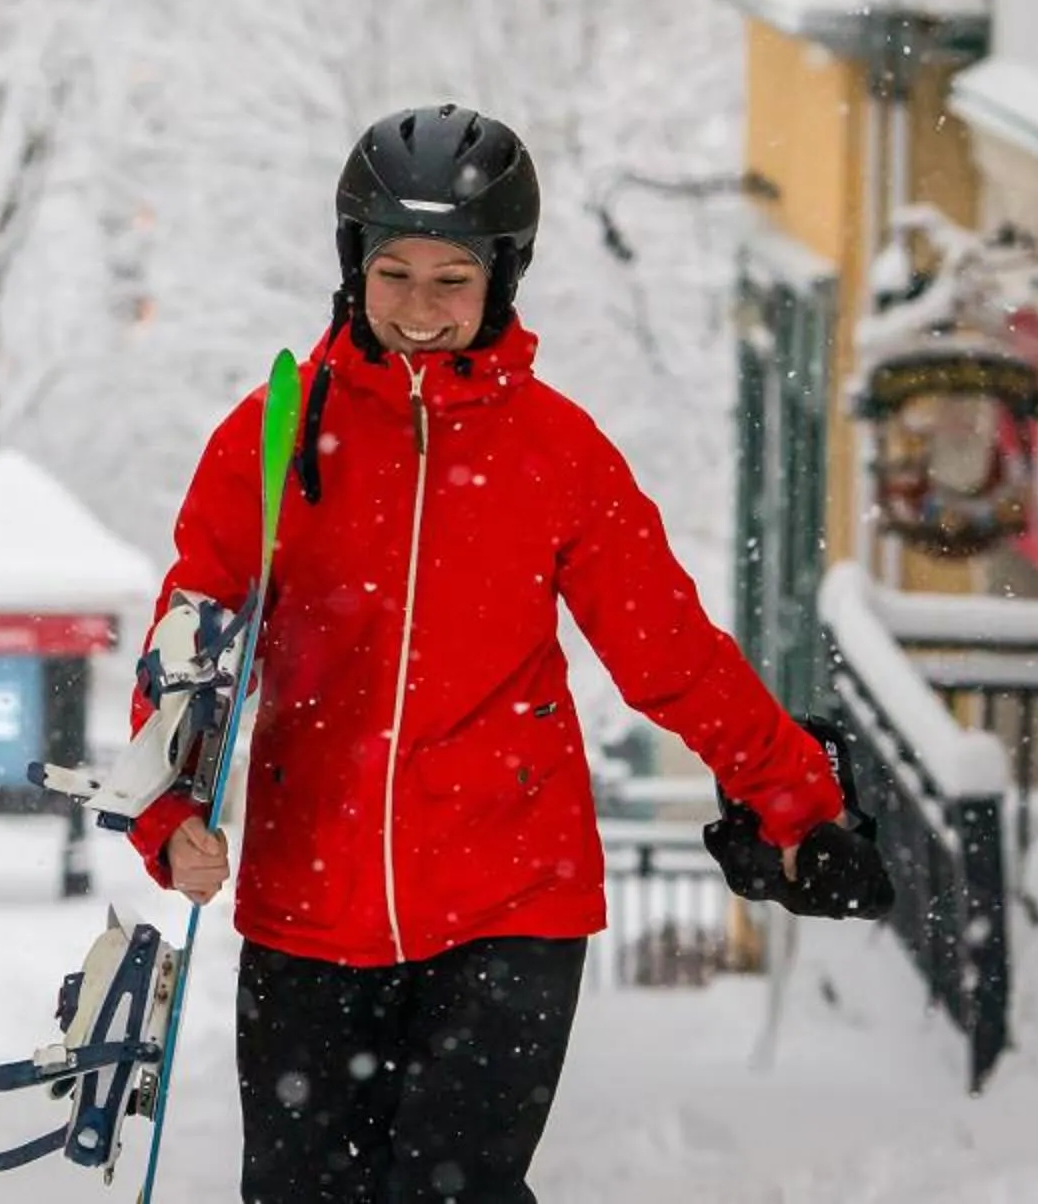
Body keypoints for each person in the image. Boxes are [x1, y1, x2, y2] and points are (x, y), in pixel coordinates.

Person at [122, 104, 890, 1204]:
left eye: (453, 279)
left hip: (509, 899)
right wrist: (167, 813)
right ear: (353, 266)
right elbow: (190, 642)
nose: (419, 309)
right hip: (309, 900)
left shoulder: (555, 451)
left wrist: (800, 804)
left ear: (502, 279)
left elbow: (669, 650)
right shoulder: (274, 436)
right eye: (394, 274)